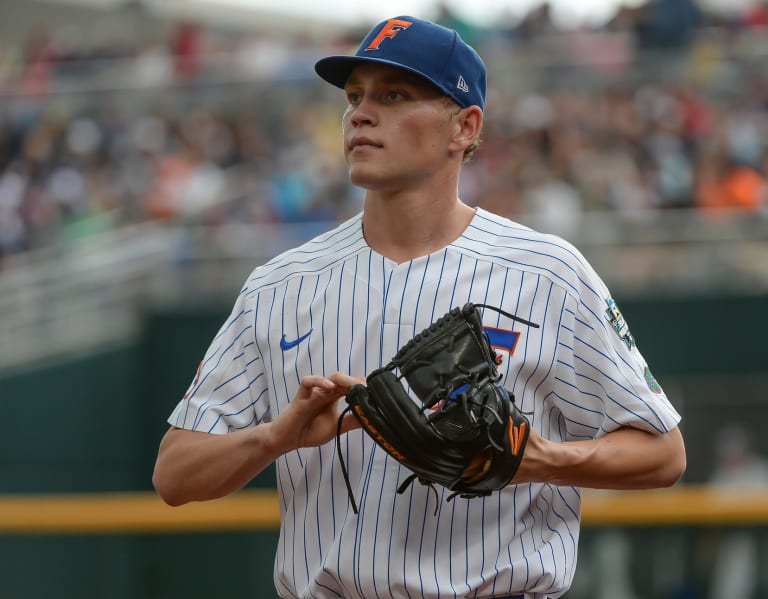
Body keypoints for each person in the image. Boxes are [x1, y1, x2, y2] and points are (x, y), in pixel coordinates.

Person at [152, 16, 686, 599]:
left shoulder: (546, 273)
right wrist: (274, 438)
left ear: (465, 126)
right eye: (355, 96)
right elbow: (175, 474)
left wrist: (535, 459)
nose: (360, 113)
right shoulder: (280, 285)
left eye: (395, 95)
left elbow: (662, 454)